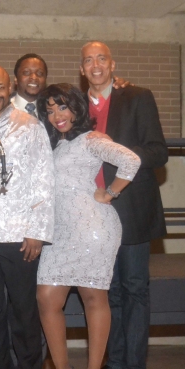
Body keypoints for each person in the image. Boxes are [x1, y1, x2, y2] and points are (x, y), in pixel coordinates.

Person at [36, 83, 141, 369]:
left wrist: (110, 192)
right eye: (50, 110)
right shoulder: (56, 144)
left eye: (63, 106)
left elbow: (131, 159)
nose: (57, 115)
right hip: (59, 232)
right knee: (47, 298)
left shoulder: (91, 138)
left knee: (94, 296)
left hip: (92, 228)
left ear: (76, 108)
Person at [79, 41, 168, 369]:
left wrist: (117, 150)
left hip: (131, 210)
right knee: (108, 292)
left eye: (101, 58)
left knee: (134, 290)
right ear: (82, 69)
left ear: (112, 64)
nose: (96, 65)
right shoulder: (75, 107)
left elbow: (159, 152)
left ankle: (134, 364)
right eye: (88, 60)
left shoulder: (137, 97)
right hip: (94, 215)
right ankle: (114, 363)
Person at [0, 64, 54, 369]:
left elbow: (44, 179)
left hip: (19, 236)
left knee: (23, 312)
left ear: (10, 88)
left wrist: (37, 231)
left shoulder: (28, 125)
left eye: (0, 87)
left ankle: (31, 365)